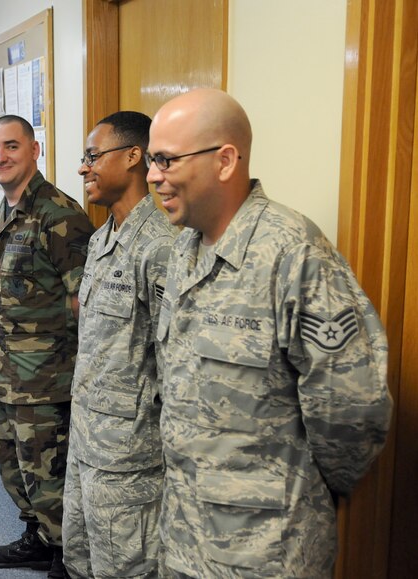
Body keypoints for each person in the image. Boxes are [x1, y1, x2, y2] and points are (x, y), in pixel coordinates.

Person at [147, 88, 392, 578]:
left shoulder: (294, 253)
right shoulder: (183, 251)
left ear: (225, 160)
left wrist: (315, 489)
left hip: (266, 551)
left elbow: (352, 404)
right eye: (153, 161)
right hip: (184, 536)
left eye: (167, 161)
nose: (154, 177)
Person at [62, 111, 175, 579]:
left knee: (125, 570)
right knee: (79, 559)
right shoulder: (103, 238)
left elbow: (176, 367)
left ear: (133, 157)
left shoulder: (163, 245)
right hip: (87, 441)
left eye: (92, 156)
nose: (84, 168)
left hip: (131, 460)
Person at [0, 115, 95, 579]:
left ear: (35, 150)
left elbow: (85, 306)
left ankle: (67, 558)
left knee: (52, 479)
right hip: (7, 373)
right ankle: (37, 538)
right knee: (16, 469)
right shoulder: (1, 214)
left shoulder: (60, 216)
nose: (0, 157)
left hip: (48, 381)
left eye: (11, 146)